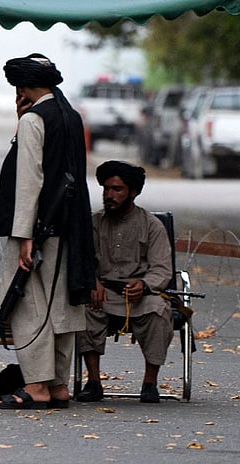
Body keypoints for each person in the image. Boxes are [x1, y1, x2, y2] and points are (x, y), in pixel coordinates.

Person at [0, 53, 96, 410]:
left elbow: (29, 181)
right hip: (71, 228)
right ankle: (59, 386)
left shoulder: (35, 119)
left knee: (29, 308)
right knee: (62, 309)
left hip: (40, 231)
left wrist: (24, 237)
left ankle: (36, 387)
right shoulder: (71, 116)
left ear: (22, 87)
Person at [75, 160, 174, 404]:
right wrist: (92, 281)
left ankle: (150, 383)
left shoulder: (152, 226)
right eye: (106, 189)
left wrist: (145, 285)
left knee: (159, 310)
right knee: (84, 308)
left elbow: (162, 268)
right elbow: (79, 260)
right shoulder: (93, 223)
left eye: (117, 190)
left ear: (133, 192)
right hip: (103, 292)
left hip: (138, 295)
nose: (110, 195)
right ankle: (94, 382)